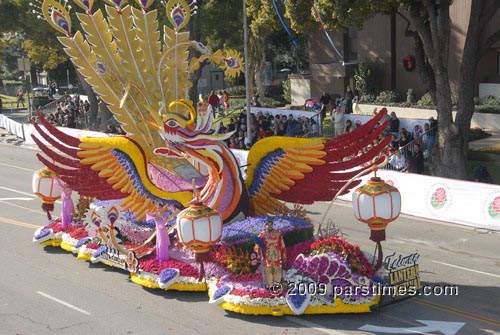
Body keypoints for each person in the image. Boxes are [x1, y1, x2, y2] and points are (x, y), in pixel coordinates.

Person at [254, 219, 286, 288]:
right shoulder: (262, 234)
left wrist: (283, 254)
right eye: (268, 224)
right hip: (267, 255)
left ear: (273, 225)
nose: (269, 226)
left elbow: (282, 244)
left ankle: (277, 285)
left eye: (271, 224)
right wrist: (259, 252)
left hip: (277, 254)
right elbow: (257, 244)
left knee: (277, 269)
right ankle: (269, 286)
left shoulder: (278, 233)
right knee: (268, 270)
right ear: (265, 226)